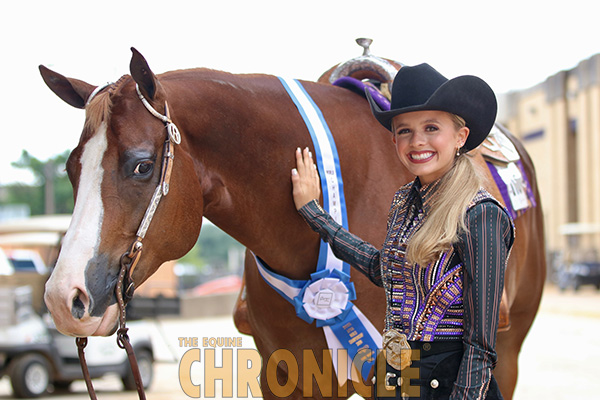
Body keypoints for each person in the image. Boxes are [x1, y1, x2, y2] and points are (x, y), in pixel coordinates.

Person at [291, 63, 514, 399]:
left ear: (460, 136)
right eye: (404, 131)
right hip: (394, 379)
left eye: (431, 127)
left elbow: (480, 346)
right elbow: (384, 270)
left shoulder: (481, 215)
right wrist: (314, 213)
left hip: (449, 387)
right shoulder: (404, 203)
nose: (417, 141)